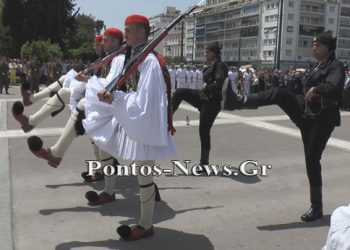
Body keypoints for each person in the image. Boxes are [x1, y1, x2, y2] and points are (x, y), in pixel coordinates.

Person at [233, 31, 345, 222]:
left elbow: (333, 88)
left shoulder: (336, 67)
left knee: (311, 160)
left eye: (317, 45)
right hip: (306, 112)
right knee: (279, 93)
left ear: (328, 47)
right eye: (313, 44)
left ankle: (316, 207)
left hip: (322, 118)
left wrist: (316, 90)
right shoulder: (318, 66)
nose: (313, 47)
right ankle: (240, 100)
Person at [94, 14, 177, 240]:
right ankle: (144, 221)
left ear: (142, 32)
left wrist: (117, 99)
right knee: (140, 172)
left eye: (129, 30)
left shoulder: (149, 61)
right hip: (132, 120)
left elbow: (146, 102)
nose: (126, 33)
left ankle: (145, 225)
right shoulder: (132, 56)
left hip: (144, 124)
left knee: (144, 175)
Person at [172, 42, 228, 167]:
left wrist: (207, 86)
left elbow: (219, 84)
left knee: (204, 131)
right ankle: (167, 118)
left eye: (207, 52)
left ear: (214, 53)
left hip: (212, 102)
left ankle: (204, 164)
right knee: (180, 92)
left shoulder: (221, 65)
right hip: (203, 97)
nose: (205, 54)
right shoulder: (211, 65)